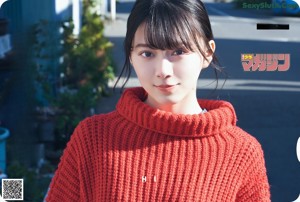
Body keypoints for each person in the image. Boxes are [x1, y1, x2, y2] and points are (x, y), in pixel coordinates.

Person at [46, 0, 271, 201]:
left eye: (178, 51)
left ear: (207, 52)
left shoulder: (241, 152)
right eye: (147, 53)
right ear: (131, 56)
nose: (163, 70)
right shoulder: (93, 137)